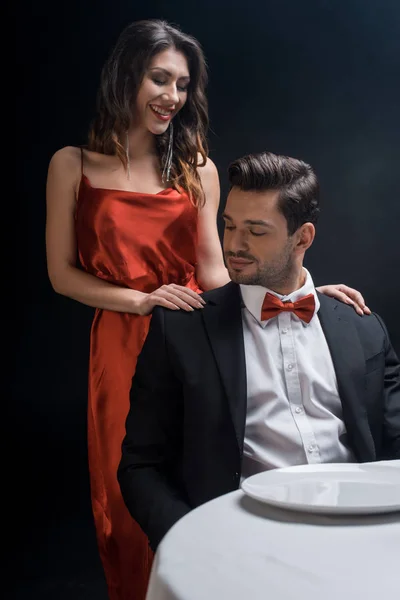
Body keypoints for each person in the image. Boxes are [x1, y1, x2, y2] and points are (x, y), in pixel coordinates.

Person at [46, 19, 368, 600]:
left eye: (183, 84)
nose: (173, 97)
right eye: (159, 79)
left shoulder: (197, 166)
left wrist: (299, 292)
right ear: (125, 77)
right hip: (121, 341)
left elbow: (217, 268)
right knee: (128, 493)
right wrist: (141, 300)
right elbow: (61, 273)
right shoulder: (72, 164)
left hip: (201, 327)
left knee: (203, 470)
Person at [118, 150, 400, 552]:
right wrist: (192, 541)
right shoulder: (181, 330)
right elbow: (141, 465)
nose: (234, 244)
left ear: (302, 237)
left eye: (256, 231)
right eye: (229, 226)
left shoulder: (361, 325)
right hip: (243, 541)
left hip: (361, 536)